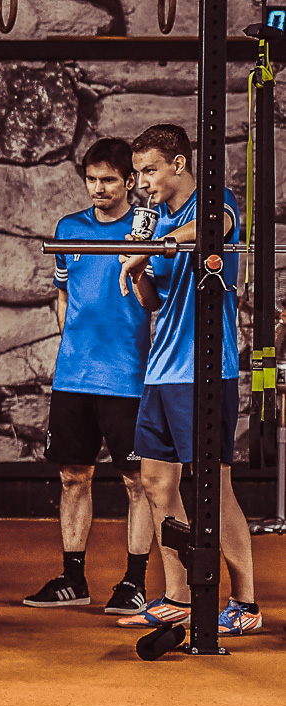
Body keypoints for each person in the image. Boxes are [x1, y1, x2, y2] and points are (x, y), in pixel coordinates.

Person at [115, 124, 262, 634]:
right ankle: (177, 596)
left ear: (179, 165)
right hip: (161, 371)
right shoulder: (158, 219)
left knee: (214, 488)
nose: (142, 183)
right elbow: (155, 301)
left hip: (203, 370)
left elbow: (209, 230)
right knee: (157, 483)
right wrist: (137, 273)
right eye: (137, 173)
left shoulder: (214, 200)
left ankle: (244, 603)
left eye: (149, 170)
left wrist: (150, 243)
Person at [23, 138, 153, 615]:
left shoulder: (143, 234)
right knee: (73, 475)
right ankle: (72, 579)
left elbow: (153, 298)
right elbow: (62, 293)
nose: (99, 188)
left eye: (109, 180)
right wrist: (72, 343)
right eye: (92, 180)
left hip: (127, 377)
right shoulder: (69, 228)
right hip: (74, 376)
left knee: (137, 481)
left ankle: (134, 581)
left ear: (129, 182)